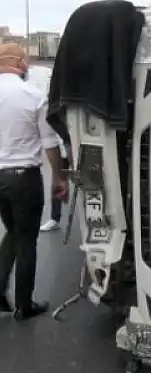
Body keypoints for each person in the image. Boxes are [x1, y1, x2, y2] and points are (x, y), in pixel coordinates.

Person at [0, 43, 68, 321]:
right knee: (27, 240)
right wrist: (59, 177)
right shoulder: (33, 95)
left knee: (13, 232)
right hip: (24, 178)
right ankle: (24, 305)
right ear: (20, 62)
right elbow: (50, 142)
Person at [25, 64, 72, 232]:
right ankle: (55, 217)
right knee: (57, 177)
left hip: (70, 141)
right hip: (59, 142)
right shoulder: (47, 100)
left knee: (80, 178)